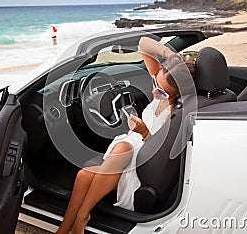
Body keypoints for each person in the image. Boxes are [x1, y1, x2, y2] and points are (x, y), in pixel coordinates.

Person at [55, 36, 196, 234]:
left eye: (162, 92)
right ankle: (63, 229)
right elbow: (144, 44)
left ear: (177, 94)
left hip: (143, 160)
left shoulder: (175, 113)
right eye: (156, 81)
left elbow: (158, 152)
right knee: (83, 175)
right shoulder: (163, 82)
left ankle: (82, 216)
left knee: (120, 149)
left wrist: (144, 131)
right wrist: (173, 58)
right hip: (130, 148)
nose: (155, 91)